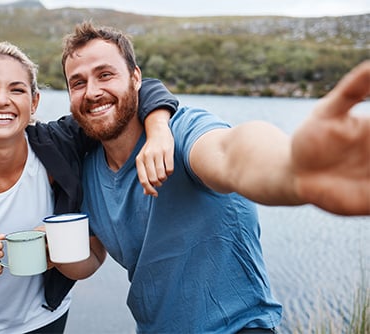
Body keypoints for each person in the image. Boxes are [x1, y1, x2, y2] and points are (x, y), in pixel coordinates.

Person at [57, 21, 370, 333]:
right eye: (78, 83)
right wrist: (51, 248)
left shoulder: (182, 130)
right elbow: (94, 255)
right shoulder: (87, 171)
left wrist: (292, 167)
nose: (93, 91)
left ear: (136, 78)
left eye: (105, 75)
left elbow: (232, 154)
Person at [0, 41, 178, 333]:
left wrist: (159, 131)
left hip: (48, 317)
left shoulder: (59, 144)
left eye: (17, 89)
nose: (2, 100)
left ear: (34, 101)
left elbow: (140, 89)